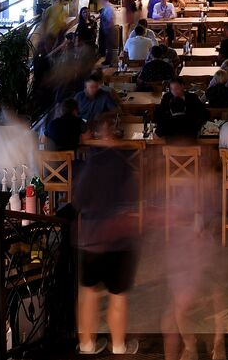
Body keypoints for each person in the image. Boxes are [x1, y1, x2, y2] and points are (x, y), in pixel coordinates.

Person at [74, 146, 141, 356]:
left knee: (88, 292)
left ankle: (86, 345)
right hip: (118, 239)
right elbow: (133, 200)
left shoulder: (88, 165)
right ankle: (119, 346)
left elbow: (78, 200)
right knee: (117, 294)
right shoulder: (123, 164)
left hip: (91, 238)